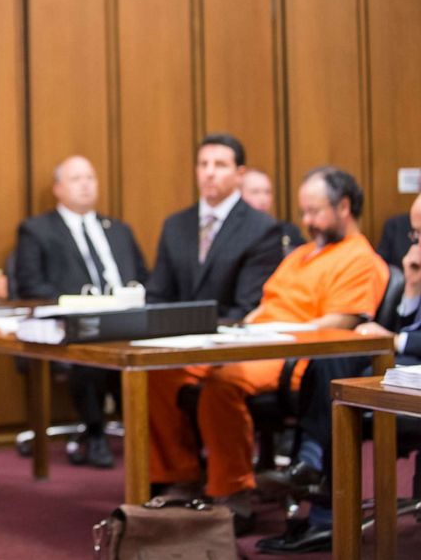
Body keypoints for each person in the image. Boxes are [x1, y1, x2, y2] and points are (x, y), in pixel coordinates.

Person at [149, 166, 389, 536]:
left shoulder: (360, 259)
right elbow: (263, 306)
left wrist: (273, 334)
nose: (306, 221)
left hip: (296, 354)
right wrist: (234, 334)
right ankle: (180, 477)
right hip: (255, 341)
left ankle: (233, 494)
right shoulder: (300, 255)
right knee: (163, 371)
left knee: (223, 381)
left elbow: (340, 324)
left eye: (315, 212)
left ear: (344, 207)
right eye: (303, 212)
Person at [256, 193, 421, 554]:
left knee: (339, 364)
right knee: (334, 359)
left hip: (412, 375)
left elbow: (405, 337)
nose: (415, 246)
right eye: (414, 236)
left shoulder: (358, 257)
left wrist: (396, 339)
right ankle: (316, 492)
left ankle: (312, 470)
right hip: (405, 368)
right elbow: (410, 325)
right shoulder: (416, 266)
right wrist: (411, 287)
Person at [15, 155, 148, 468]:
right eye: (77, 179)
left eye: (91, 177)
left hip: (126, 322)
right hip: (73, 326)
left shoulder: (118, 230)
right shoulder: (37, 230)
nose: (86, 184)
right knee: (88, 356)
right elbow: (31, 285)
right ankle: (96, 433)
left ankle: (152, 439)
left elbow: (145, 276)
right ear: (58, 188)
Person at [146, 133, 282, 320]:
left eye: (220, 165)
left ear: (240, 174)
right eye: (203, 164)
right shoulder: (175, 225)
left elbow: (248, 306)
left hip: (230, 338)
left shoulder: (262, 228)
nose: (209, 173)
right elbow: (157, 295)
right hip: (173, 339)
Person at [240, 167, 305, 256]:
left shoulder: (288, 231)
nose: (263, 199)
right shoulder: (231, 233)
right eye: (255, 192)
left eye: (267, 192)